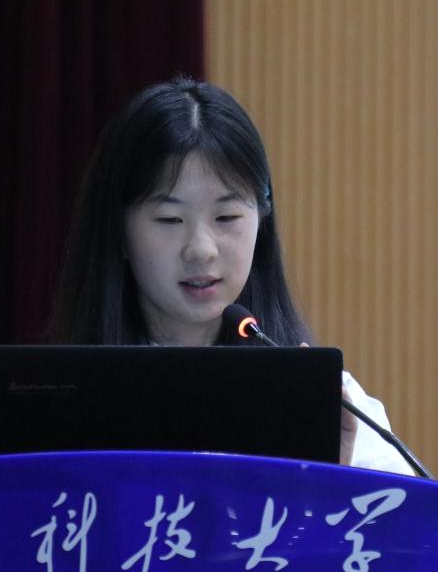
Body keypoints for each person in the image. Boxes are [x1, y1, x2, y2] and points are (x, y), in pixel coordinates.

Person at [49, 77, 414, 476]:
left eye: (226, 217)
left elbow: (406, 514)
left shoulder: (334, 406)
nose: (201, 249)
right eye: (170, 219)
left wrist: (329, 484)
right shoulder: (56, 399)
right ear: (118, 231)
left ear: (261, 220)